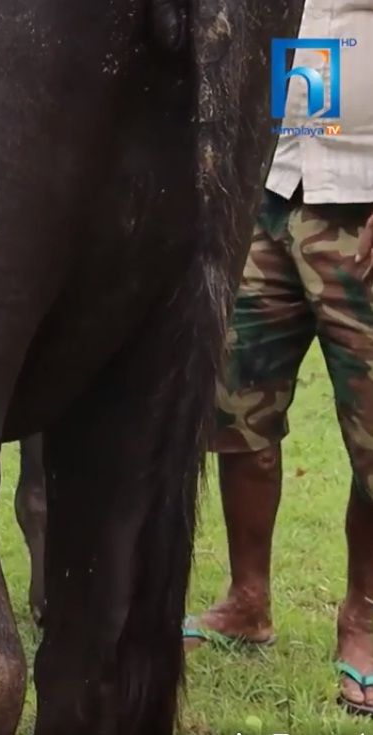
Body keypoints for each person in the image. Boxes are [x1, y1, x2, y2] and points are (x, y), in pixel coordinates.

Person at [184, 0, 373, 717]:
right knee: (238, 408)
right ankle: (246, 599)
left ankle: (361, 618)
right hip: (271, 186)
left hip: (357, 206)